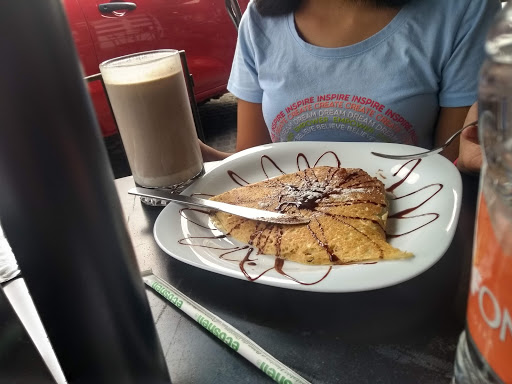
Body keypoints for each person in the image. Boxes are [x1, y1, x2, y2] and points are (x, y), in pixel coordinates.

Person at [201, 0, 501, 164]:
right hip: (287, 246)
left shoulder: (463, 8)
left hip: (410, 232)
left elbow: (451, 168)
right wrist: (191, 157)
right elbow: (250, 163)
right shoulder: (259, 18)